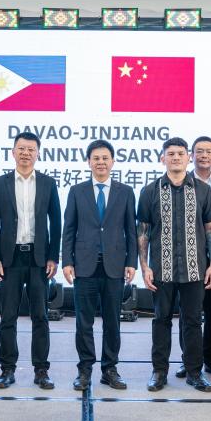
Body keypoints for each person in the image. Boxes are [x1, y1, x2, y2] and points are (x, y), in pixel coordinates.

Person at [139, 137, 211, 393]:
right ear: (162, 158)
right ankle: (159, 372)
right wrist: (144, 266)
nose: (175, 157)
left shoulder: (203, 190)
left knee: (193, 322)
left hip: (195, 269)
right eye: (171, 153)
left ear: (189, 158)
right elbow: (143, 231)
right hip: (161, 269)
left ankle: (195, 373)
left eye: (180, 153)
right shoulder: (150, 190)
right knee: (161, 320)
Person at [0, 131, 61, 390]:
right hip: (10, 259)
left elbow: (56, 221)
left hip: (39, 259)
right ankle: (7, 369)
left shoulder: (48, 183)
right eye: (21, 148)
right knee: (8, 316)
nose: (26, 153)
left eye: (31, 149)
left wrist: (53, 256)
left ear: (38, 153)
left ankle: (41, 370)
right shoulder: (0, 184)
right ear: (13, 152)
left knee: (40, 316)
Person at [62, 139, 136, 391]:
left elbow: (131, 229)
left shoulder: (125, 192)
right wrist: (67, 261)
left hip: (115, 266)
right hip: (84, 266)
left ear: (113, 161)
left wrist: (131, 262)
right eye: (96, 158)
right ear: (89, 162)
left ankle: (109, 369)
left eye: (105, 158)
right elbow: (69, 229)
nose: (101, 162)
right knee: (84, 322)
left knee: (112, 321)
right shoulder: (77, 191)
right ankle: (84, 370)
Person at [186, 135, 211, 379]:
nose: (204, 155)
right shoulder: (181, 181)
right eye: (199, 151)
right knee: (189, 314)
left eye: (208, 151)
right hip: (186, 257)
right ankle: (189, 359)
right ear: (191, 155)